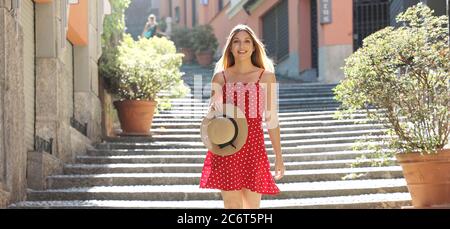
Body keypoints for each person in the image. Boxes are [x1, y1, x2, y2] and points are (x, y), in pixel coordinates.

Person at [199, 24, 285, 209]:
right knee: (232, 206)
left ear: (254, 46)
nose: (241, 46)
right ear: (230, 47)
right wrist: (213, 110)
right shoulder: (220, 78)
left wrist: (278, 156)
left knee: (252, 208)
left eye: (247, 41)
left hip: (254, 147)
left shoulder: (266, 76)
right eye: (236, 42)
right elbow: (211, 118)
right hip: (227, 145)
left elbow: (272, 119)